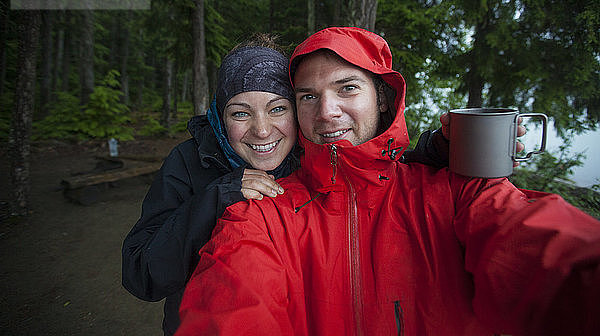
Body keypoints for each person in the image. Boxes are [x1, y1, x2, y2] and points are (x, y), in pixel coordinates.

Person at [175, 27, 600, 336]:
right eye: (307, 95)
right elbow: (230, 310)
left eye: (347, 88)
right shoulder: (264, 213)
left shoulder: (456, 192)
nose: (327, 112)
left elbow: (551, 258)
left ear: (381, 97)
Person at [121, 34, 451, 336]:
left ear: (295, 112)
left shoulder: (307, 155)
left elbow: (367, 174)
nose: (262, 130)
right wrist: (215, 197)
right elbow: (141, 275)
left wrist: (432, 153)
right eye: (240, 113)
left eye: (277, 108)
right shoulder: (190, 163)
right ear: (220, 117)